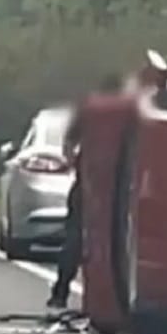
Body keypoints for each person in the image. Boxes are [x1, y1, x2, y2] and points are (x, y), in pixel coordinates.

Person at [46, 72, 123, 311]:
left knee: (75, 238)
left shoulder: (89, 108)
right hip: (121, 184)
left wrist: (73, 164)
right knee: (115, 241)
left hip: (89, 180)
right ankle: (109, 299)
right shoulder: (130, 112)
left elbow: (69, 141)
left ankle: (60, 292)